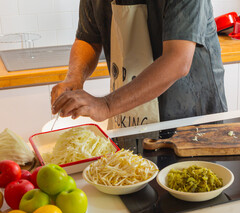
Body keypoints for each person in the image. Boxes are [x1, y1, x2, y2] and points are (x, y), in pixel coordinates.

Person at [51, 0, 227, 129]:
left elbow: (178, 60)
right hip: (129, 114)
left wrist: (106, 105)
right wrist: (74, 77)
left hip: (190, 118)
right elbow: (88, 38)